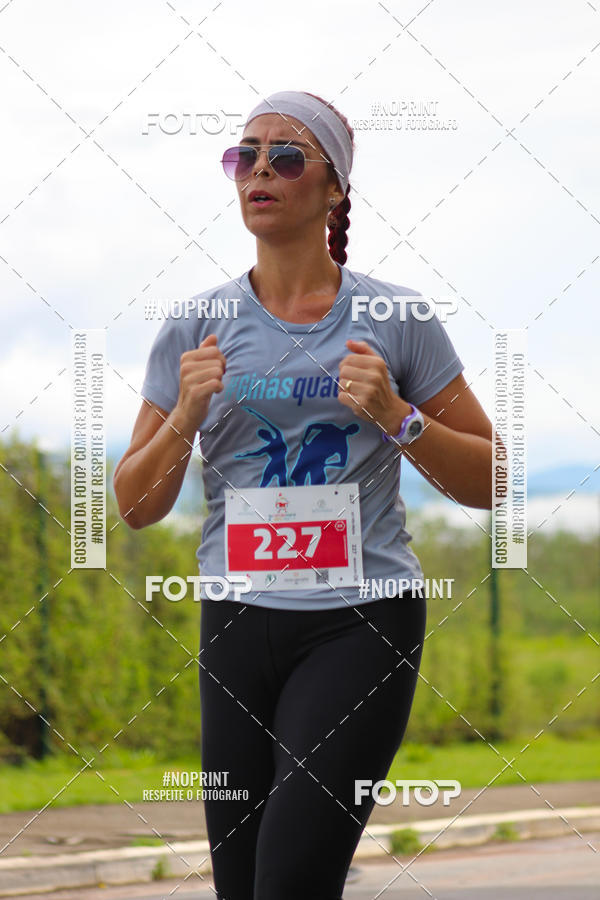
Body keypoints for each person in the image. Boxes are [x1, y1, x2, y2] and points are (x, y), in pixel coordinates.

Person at [114, 90, 493, 899]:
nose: (259, 170)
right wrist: (185, 413)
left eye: (286, 156)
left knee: (290, 879)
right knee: (241, 884)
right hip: (236, 623)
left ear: (333, 190)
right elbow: (136, 504)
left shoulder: (395, 317)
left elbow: (493, 478)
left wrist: (399, 416)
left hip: (360, 622)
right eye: (244, 155)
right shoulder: (197, 325)